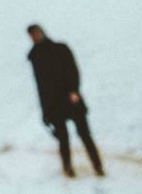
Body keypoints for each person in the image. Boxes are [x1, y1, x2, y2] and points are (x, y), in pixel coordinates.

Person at [27, 24, 105, 178]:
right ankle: (68, 169)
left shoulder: (60, 48)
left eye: (37, 33)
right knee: (63, 139)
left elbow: (73, 69)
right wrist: (45, 111)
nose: (35, 36)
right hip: (53, 104)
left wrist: (74, 90)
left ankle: (98, 167)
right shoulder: (35, 57)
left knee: (85, 135)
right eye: (32, 35)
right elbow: (41, 86)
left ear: (43, 32)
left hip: (70, 98)